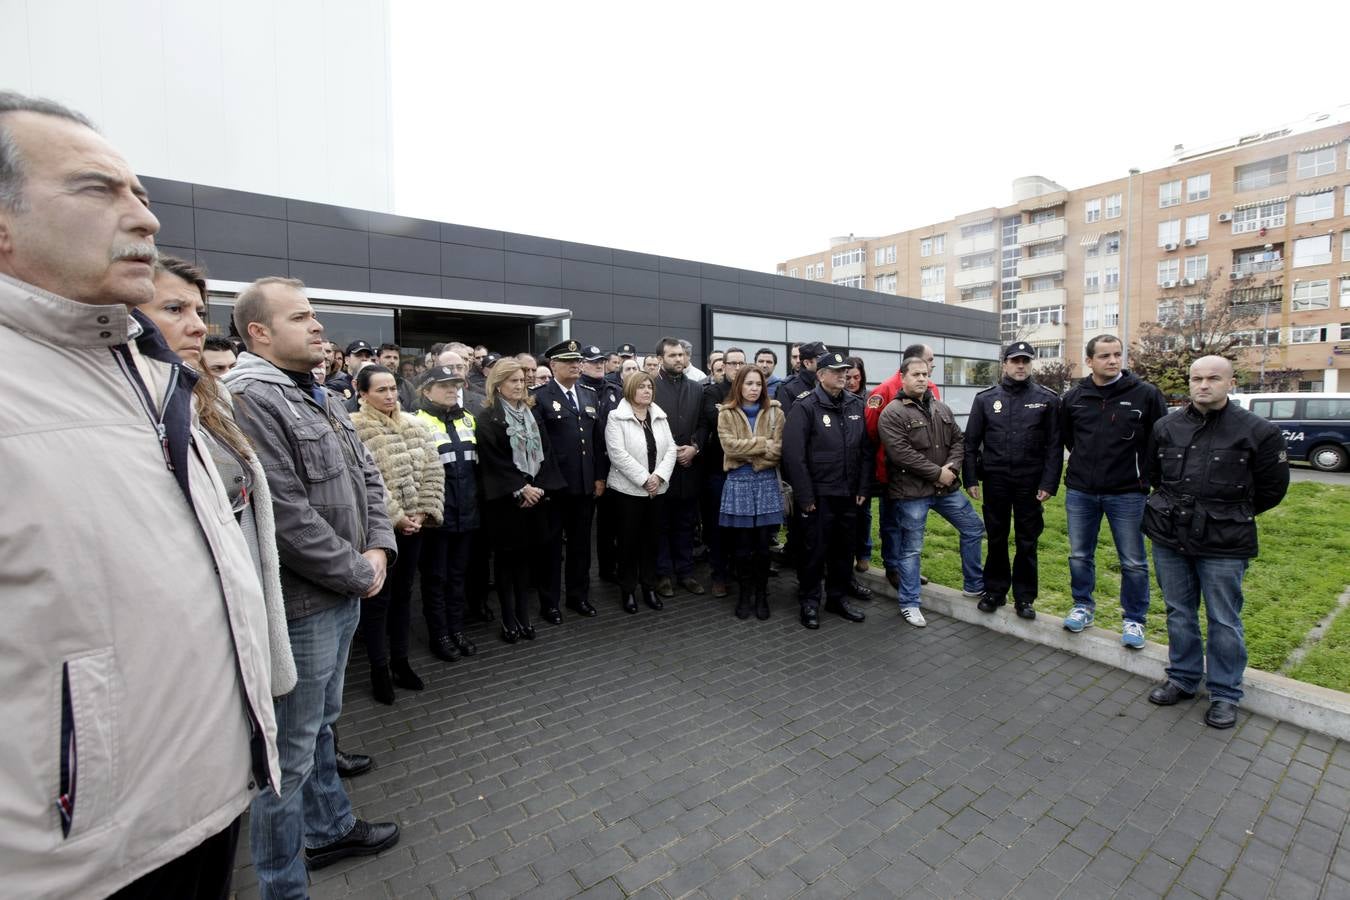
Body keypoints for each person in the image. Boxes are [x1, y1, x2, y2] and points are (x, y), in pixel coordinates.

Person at [0, 91, 283, 898]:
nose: (145, 220)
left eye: (143, 195)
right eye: (97, 190)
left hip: (203, 809)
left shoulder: (146, 373)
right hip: (77, 863)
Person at [223, 276, 401, 891]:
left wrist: (378, 546)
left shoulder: (317, 393)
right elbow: (285, 515)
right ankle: (282, 883)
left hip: (347, 588)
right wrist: (358, 571)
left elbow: (366, 478)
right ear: (259, 333)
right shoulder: (248, 396)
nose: (318, 325)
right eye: (301, 317)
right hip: (306, 604)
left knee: (322, 725)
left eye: (315, 315)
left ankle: (329, 830)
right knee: (288, 759)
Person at [147, 255, 295, 691]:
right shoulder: (129, 409)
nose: (196, 326)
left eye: (199, 311)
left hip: (240, 598)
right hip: (188, 626)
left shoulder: (211, 399)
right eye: (174, 310)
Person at [1144, 356, 1289, 729]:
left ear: (1231, 383)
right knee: (1179, 610)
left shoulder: (1257, 431)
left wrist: (1228, 514)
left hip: (1225, 539)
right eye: (1196, 379)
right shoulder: (1166, 426)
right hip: (1170, 534)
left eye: (1212, 378)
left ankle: (1225, 693)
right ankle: (1183, 678)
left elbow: (1272, 489)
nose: (1203, 385)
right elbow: (1154, 473)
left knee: (1224, 619)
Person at [1060, 333, 1168, 647]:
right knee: (1080, 555)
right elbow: (1068, 439)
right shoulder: (1073, 397)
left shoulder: (1145, 394)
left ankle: (1134, 620)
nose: (1112, 361)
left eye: (1117, 354)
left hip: (1128, 492)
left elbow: (1159, 439)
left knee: (1133, 560)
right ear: (1089, 361)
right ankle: (1083, 606)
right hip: (1081, 490)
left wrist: (1146, 478)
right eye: (1105, 356)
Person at [351, 365, 445, 704]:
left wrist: (421, 512)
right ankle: (378, 669)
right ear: (362, 393)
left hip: (414, 528)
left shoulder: (415, 426)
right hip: (379, 530)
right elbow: (365, 481)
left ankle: (401, 662)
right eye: (381, 390)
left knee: (405, 596)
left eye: (392, 388)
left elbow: (434, 470)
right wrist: (396, 517)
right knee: (378, 601)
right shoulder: (355, 428)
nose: (390, 396)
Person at [877, 356, 985, 628]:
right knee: (911, 549)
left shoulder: (941, 408)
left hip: (945, 489)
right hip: (912, 493)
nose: (922, 379)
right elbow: (901, 454)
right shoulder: (892, 412)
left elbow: (959, 440)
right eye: (916, 374)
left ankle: (973, 584)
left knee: (973, 528)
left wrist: (952, 467)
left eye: (925, 374)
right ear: (902, 377)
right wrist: (937, 473)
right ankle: (910, 603)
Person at [962, 342, 1063, 620]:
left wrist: (1049, 483)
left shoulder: (1048, 399)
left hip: (1030, 483)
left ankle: (1025, 597)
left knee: (1027, 541)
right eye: (1015, 360)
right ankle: (994, 591)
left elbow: (1055, 447)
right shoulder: (985, 399)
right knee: (996, 538)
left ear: (1031, 364)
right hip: (996, 480)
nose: (1021, 366)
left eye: (1026, 361)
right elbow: (971, 442)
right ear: (1004, 363)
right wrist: (970, 478)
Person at [475, 358, 566, 642]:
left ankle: (524, 615)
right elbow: (493, 461)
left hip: (535, 498)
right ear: (498, 384)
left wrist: (535, 487)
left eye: (521, 379)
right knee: (506, 561)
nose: (519, 385)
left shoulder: (531, 411)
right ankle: (507, 617)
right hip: (506, 502)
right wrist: (520, 488)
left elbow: (545, 452)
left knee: (526, 560)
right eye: (512, 381)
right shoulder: (488, 417)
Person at [781, 352, 872, 629]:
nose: (843, 375)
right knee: (814, 551)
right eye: (836, 371)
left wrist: (863, 486)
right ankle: (809, 601)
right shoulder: (805, 406)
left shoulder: (856, 404)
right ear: (820, 375)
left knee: (844, 550)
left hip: (848, 493)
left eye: (845, 370)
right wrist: (805, 496)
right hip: (819, 495)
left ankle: (837, 598)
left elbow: (866, 451)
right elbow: (793, 456)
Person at [533, 340, 605, 623]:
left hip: (585, 486)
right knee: (550, 549)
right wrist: (548, 483)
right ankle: (549, 602)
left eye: (578, 361)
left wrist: (599, 476)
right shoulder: (539, 396)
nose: (576, 365)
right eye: (568, 361)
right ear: (553, 366)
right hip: (555, 487)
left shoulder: (588, 394)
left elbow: (597, 442)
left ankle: (578, 596)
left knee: (580, 547)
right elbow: (540, 448)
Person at [415, 365, 482, 662]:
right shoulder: (415, 422)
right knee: (436, 579)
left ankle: (456, 630)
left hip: (466, 515)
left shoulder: (469, 419)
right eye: (445, 385)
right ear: (426, 391)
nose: (453, 389)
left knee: (458, 577)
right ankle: (439, 634)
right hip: (436, 519)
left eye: (456, 384)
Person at [605, 370, 677, 612]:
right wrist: (644, 479)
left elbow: (671, 450)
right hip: (627, 492)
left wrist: (658, 477)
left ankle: (649, 587)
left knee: (651, 542)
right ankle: (628, 590)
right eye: (641, 387)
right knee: (628, 543)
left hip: (657, 491)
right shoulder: (617, 417)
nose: (647, 390)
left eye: (649, 387)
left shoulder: (660, 416)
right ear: (630, 389)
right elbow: (617, 454)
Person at [717, 364, 785, 620]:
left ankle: (761, 594)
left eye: (758, 384)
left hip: (766, 483)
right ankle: (745, 594)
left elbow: (779, 451)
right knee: (742, 546)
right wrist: (762, 444)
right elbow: (730, 448)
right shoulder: (727, 412)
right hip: (739, 484)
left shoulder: (776, 412)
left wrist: (753, 459)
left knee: (763, 546)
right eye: (749, 383)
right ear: (739, 385)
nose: (754, 389)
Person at [865, 348, 936, 590]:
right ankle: (893, 567)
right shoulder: (884, 390)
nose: (930, 367)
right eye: (930, 360)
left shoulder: (931, 389)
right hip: (892, 473)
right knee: (892, 523)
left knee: (913, 525)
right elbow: (872, 430)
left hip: (921, 474)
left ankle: (910, 569)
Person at [651, 336, 709, 597]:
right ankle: (663, 574)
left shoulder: (697, 389)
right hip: (660, 470)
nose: (679, 359)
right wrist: (668, 452)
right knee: (660, 523)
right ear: (661, 358)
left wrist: (695, 447)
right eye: (673, 355)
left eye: (682, 355)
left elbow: (704, 424)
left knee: (686, 523)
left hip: (689, 467)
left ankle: (685, 572)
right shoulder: (649, 386)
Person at [700, 347, 747, 597]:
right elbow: (714, 421)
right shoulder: (711, 392)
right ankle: (719, 575)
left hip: (745, 469)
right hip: (718, 470)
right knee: (718, 527)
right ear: (723, 365)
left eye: (741, 363)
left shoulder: (751, 390)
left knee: (742, 528)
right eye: (732, 363)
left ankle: (739, 571)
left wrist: (726, 411)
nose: (737, 368)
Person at [843, 356, 875, 601]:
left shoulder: (870, 399)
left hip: (864, 466)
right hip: (841, 471)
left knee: (864, 513)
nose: (853, 381)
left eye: (857, 377)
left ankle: (863, 553)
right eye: (849, 377)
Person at [776, 340, 827, 413]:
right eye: (794, 357)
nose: (798, 361)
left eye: (800, 357)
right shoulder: (787, 388)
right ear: (806, 363)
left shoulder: (829, 381)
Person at [377, 342, 417, 411]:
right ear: (378, 360)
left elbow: (415, 412)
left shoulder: (407, 386)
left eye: (395, 358)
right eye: (388, 357)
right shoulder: (369, 383)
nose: (392, 361)